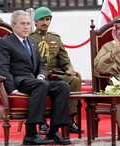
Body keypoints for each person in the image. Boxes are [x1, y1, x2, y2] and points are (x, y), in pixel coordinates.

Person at [0, 10, 71, 145]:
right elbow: (2, 68)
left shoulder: (31, 42)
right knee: (41, 85)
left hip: (35, 80)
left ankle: (53, 131)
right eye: (22, 24)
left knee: (63, 86)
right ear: (13, 25)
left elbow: (41, 63)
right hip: (18, 80)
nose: (26, 27)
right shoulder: (4, 43)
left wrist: (42, 75)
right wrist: (11, 89)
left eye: (28, 24)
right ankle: (30, 134)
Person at [29, 6, 82, 134]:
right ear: (35, 22)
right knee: (40, 84)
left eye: (47, 19)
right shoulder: (30, 38)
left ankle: (70, 120)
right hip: (38, 74)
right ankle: (42, 122)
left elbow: (65, 60)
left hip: (55, 73)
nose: (45, 22)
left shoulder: (55, 38)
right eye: (41, 20)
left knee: (74, 80)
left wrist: (70, 69)